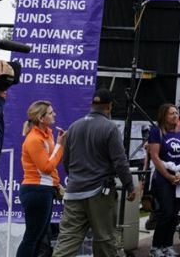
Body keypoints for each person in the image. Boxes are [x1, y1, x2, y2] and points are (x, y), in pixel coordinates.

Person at [51, 89, 138, 257]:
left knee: (67, 239)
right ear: (109, 107)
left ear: (92, 105)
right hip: (100, 193)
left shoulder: (74, 127)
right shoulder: (110, 128)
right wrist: (129, 186)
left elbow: (66, 161)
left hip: (74, 191)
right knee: (105, 239)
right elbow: (120, 161)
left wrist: (76, 178)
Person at [17, 100, 65, 257]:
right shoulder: (34, 139)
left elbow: (50, 165)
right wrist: (60, 146)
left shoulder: (47, 134)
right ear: (41, 118)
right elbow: (46, 167)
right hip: (36, 190)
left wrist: (56, 184)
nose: (54, 114)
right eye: (51, 113)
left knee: (39, 236)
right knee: (32, 236)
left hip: (43, 189)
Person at [147, 103, 180, 257]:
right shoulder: (156, 132)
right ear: (164, 116)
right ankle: (155, 246)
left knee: (174, 214)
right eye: (172, 113)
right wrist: (169, 176)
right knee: (166, 212)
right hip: (164, 179)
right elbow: (155, 157)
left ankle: (167, 245)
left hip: (179, 178)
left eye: (177, 113)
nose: (176, 116)